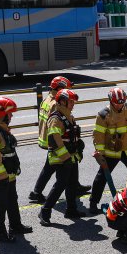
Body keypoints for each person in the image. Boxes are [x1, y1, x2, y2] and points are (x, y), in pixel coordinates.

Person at [29, 76, 90, 204]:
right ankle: (37, 193)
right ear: (60, 88)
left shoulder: (46, 99)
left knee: (57, 165)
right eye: (67, 88)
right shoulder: (55, 104)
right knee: (51, 167)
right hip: (54, 140)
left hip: (46, 137)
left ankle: (74, 185)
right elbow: (56, 125)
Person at [89, 87, 127, 214]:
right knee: (102, 178)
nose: (119, 105)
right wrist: (99, 154)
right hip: (112, 153)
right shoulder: (103, 115)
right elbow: (98, 136)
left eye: (122, 102)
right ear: (111, 101)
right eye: (117, 103)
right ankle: (93, 203)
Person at [0, 97, 33, 242]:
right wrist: (1, 172)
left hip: (7, 173)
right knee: (0, 204)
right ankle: (0, 233)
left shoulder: (0, 128)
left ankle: (15, 226)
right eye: (9, 113)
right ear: (1, 114)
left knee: (11, 200)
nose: (11, 116)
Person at [39, 89, 86, 225]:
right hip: (61, 158)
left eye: (73, 102)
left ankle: (71, 209)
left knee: (72, 184)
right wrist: (65, 157)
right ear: (62, 102)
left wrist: (78, 144)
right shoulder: (56, 118)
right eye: (71, 102)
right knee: (60, 185)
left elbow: (70, 135)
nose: (73, 104)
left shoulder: (68, 115)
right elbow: (54, 139)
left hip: (71, 157)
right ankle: (45, 212)